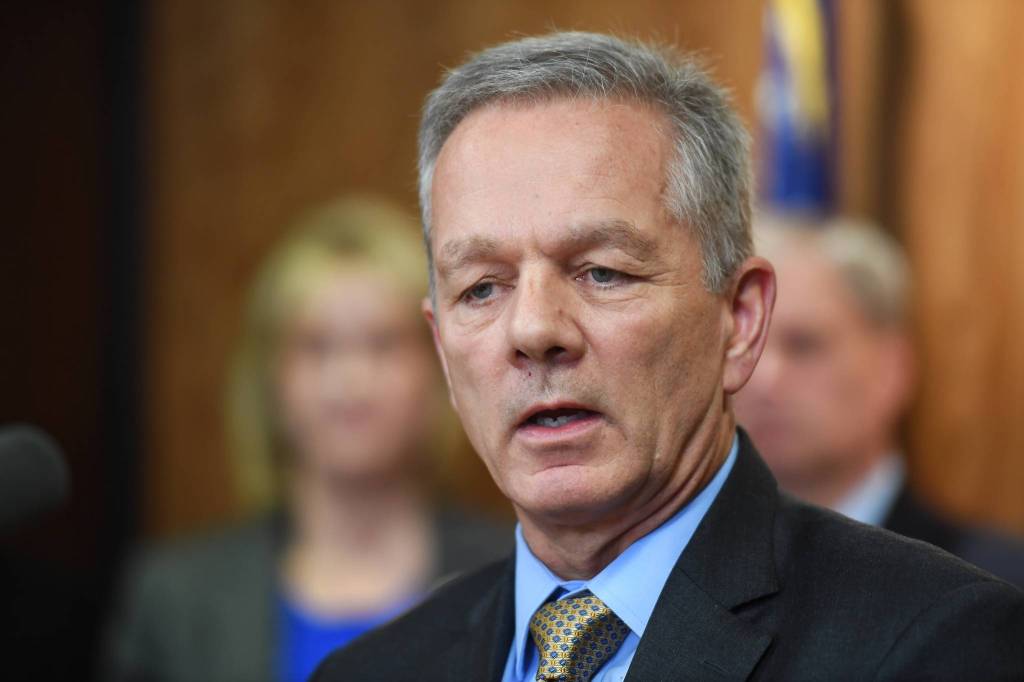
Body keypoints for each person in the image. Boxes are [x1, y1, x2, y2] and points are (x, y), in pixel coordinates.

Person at [313, 32, 1024, 682]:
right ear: (442, 347)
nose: (532, 329)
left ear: (739, 320)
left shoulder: (937, 645)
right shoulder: (368, 673)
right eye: (481, 288)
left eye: (602, 272)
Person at [103, 197, 512, 682]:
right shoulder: (175, 598)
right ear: (270, 380)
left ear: (438, 369)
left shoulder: (516, 577)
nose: (351, 382)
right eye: (317, 347)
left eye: (383, 343)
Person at [734, 214, 1024, 587]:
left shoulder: (990, 585)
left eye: (804, 345)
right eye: (747, 347)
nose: (762, 379)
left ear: (891, 370)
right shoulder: (691, 568)